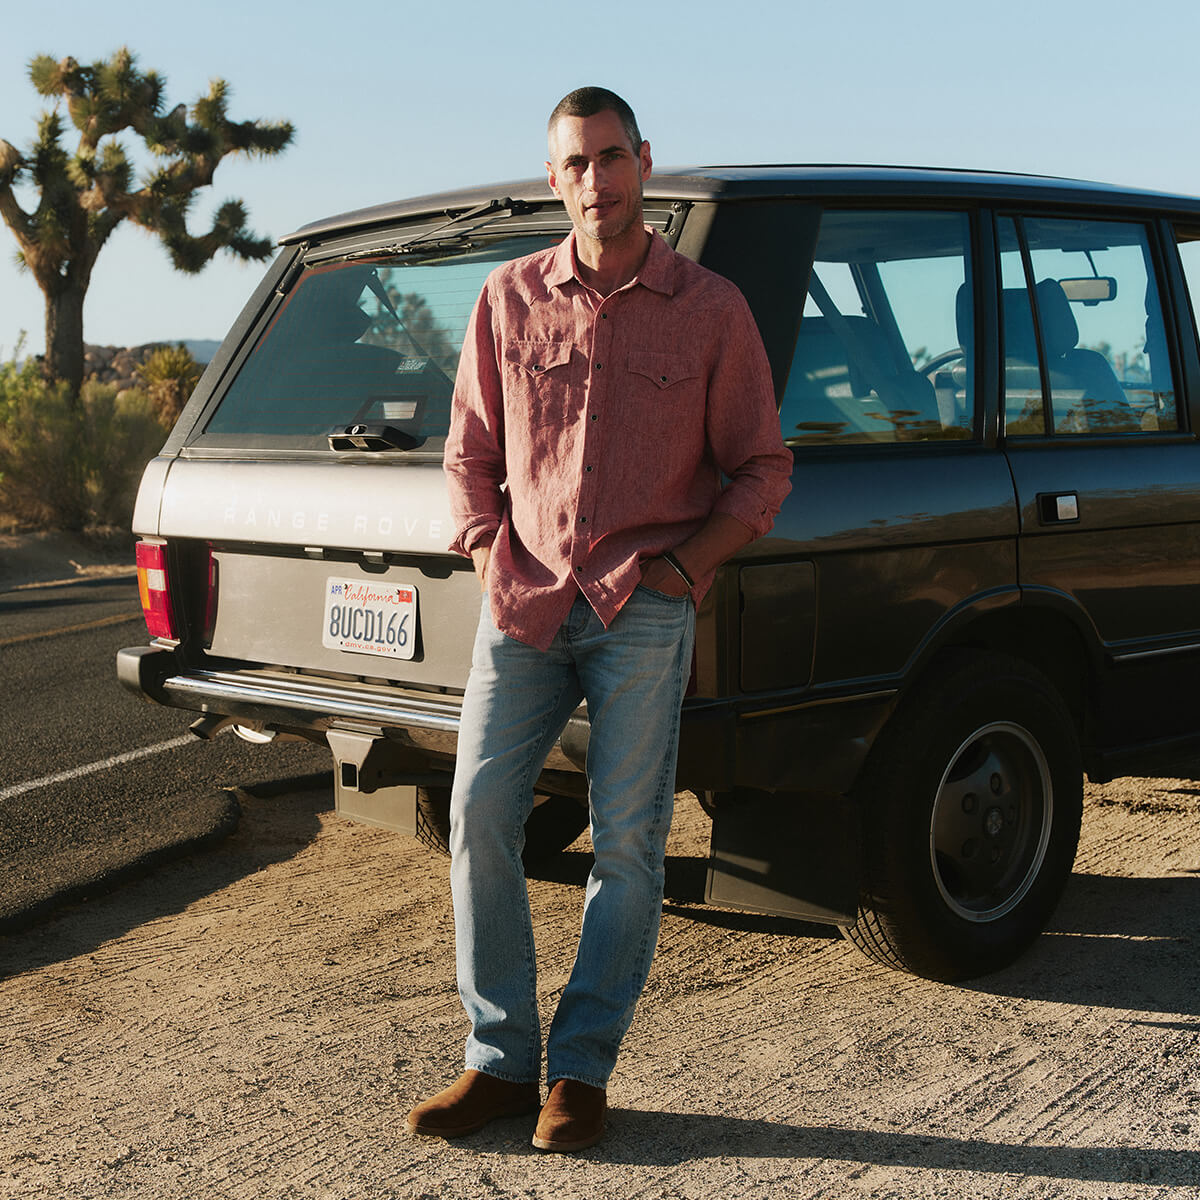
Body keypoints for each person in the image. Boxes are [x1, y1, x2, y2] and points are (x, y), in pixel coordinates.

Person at [406, 86, 792, 1153]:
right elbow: (469, 453)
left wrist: (687, 567)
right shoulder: (505, 297)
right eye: (575, 163)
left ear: (643, 163)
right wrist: (488, 552)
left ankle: (578, 1072)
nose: (596, 180)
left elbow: (762, 465)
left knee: (629, 842)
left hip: (642, 608)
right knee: (480, 816)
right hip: (524, 602)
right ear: (554, 178)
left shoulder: (710, 308)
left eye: (612, 157)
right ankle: (496, 1063)